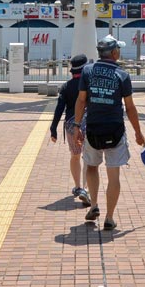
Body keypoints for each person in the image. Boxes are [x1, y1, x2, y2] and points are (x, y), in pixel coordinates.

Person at [74, 35, 145, 231]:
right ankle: (109, 218)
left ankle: (94, 205)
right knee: (114, 176)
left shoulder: (88, 71)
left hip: (93, 130)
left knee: (91, 167)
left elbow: (81, 101)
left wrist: (77, 126)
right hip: (115, 130)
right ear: (114, 53)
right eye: (118, 50)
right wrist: (138, 133)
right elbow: (130, 107)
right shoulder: (122, 75)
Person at [50, 54, 91, 206]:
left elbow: (59, 109)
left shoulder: (66, 87)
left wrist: (53, 129)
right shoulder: (89, 84)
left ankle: (79, 187)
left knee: (75, 156)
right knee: (89, 157)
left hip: (71, 125)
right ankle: (86, 188)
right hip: (89, 123)